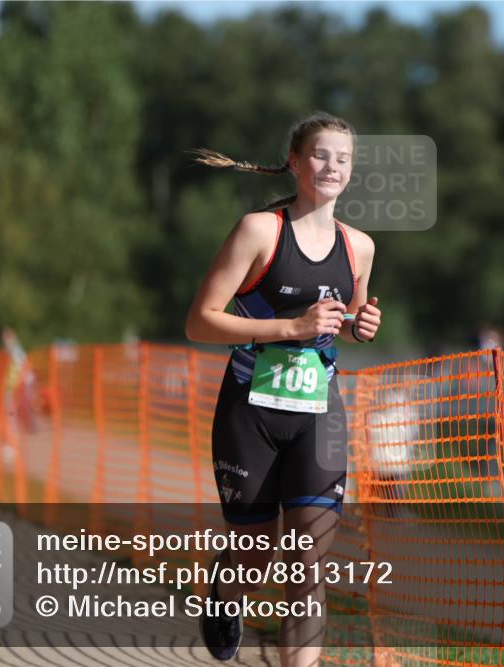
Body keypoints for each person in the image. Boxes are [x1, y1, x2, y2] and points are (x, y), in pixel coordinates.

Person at [185, 112, 381, 665]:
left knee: (308, 566)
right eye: (321, 155)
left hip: (319, 412)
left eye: (342, 158)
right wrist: (290, 329)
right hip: (251, 411)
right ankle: (224, 598)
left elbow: (354, 314)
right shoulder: (259, 230)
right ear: (295, 162)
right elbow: (199, 322)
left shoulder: (360, 247)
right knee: (256, 552)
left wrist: (363, 324)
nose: (332, 166)